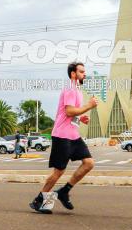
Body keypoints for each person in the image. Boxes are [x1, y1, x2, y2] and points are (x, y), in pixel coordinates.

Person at [29, 61, 97, 214]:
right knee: (58, 172)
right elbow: (68, 111)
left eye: (84, 71)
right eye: (81, 72)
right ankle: (39, 201)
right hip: (62, 136)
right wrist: (89, 106)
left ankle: (64, 191)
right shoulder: (70, 88)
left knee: (89, 163)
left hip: (73, 136)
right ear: (73, 74)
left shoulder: (77, 90)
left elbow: (71, 115)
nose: (84, 74)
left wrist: (81, 119)